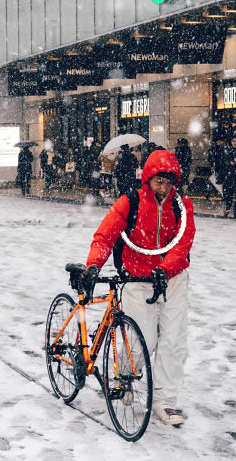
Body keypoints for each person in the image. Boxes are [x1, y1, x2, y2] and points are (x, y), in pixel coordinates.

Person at [83, 149, 196, 426]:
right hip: (137, 278)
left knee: (173, 340)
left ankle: (166, 402)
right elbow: (105, 235)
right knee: (140, 339)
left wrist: (165, 269)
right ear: (147, 178)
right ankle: (123, 378)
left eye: (170, 182)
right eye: (159, 181)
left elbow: (183, 244)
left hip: (173, 278)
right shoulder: (130, 202)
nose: (164, 188)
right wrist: (94, 265)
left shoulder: (182, 206)